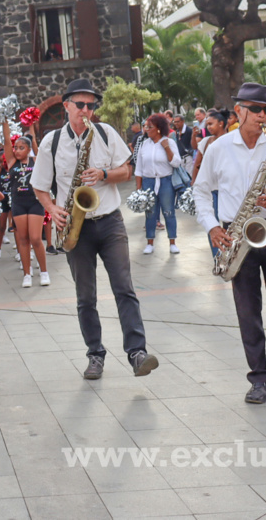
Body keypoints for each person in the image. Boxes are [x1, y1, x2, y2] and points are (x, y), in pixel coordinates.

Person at [32, 79, 160, 380]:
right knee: (85, 296)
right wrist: (52, 210)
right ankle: (95, 354)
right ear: (66, 106)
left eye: (91, 105)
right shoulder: (51, 142)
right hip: (75, 228)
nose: (87, 110)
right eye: (81, 105)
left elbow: (127, 171)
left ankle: (137, 352)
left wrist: (103, 173)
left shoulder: (104, 133)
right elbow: (39, 186)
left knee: (124, 288)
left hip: (109, 220)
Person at [193, 83, 266, 404]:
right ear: (239, 111)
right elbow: (200, 191)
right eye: (255, 109)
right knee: (247, 310)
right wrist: (213, 227)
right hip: (235, 233)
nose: (263, 116)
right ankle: (259, 378)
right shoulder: (218, 148)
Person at [2, 123, 48, 288]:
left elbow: (35, 143)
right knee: (23, 239)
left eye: (21, 147)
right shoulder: (12, 162)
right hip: (18, 203)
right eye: (16, 147)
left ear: (29, 149)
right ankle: (27, 274)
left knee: (36, 238)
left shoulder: (35, 160)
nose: (17, 150)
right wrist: (4, 120)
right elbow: (6, 141)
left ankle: (44, 272)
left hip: (35, 202)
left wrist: (32, 126)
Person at [135, 114, 181, 255]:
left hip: (165, 181)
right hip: (148, 182)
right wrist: (139, 189)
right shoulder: (144, 144)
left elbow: (177, 163)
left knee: (168, 212)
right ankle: (150, 243)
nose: (146, 129)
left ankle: (172, 242)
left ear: (159, 129)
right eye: (146, 127)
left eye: (150, 127)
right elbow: (139, 168)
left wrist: (166, 148)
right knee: (150, 213)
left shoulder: (169, 142)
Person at [192, 110, 228, 256]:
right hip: (209, 188)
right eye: (207, 125)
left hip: (226, 188)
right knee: (212, 223)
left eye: (211, 124)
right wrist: (194, 182)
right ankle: (217, 255)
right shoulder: (206, 141)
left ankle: (229, 252)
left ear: (221, 123)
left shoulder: (231, 141)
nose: (208, 127)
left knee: (227, 222)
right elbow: (197, 162)